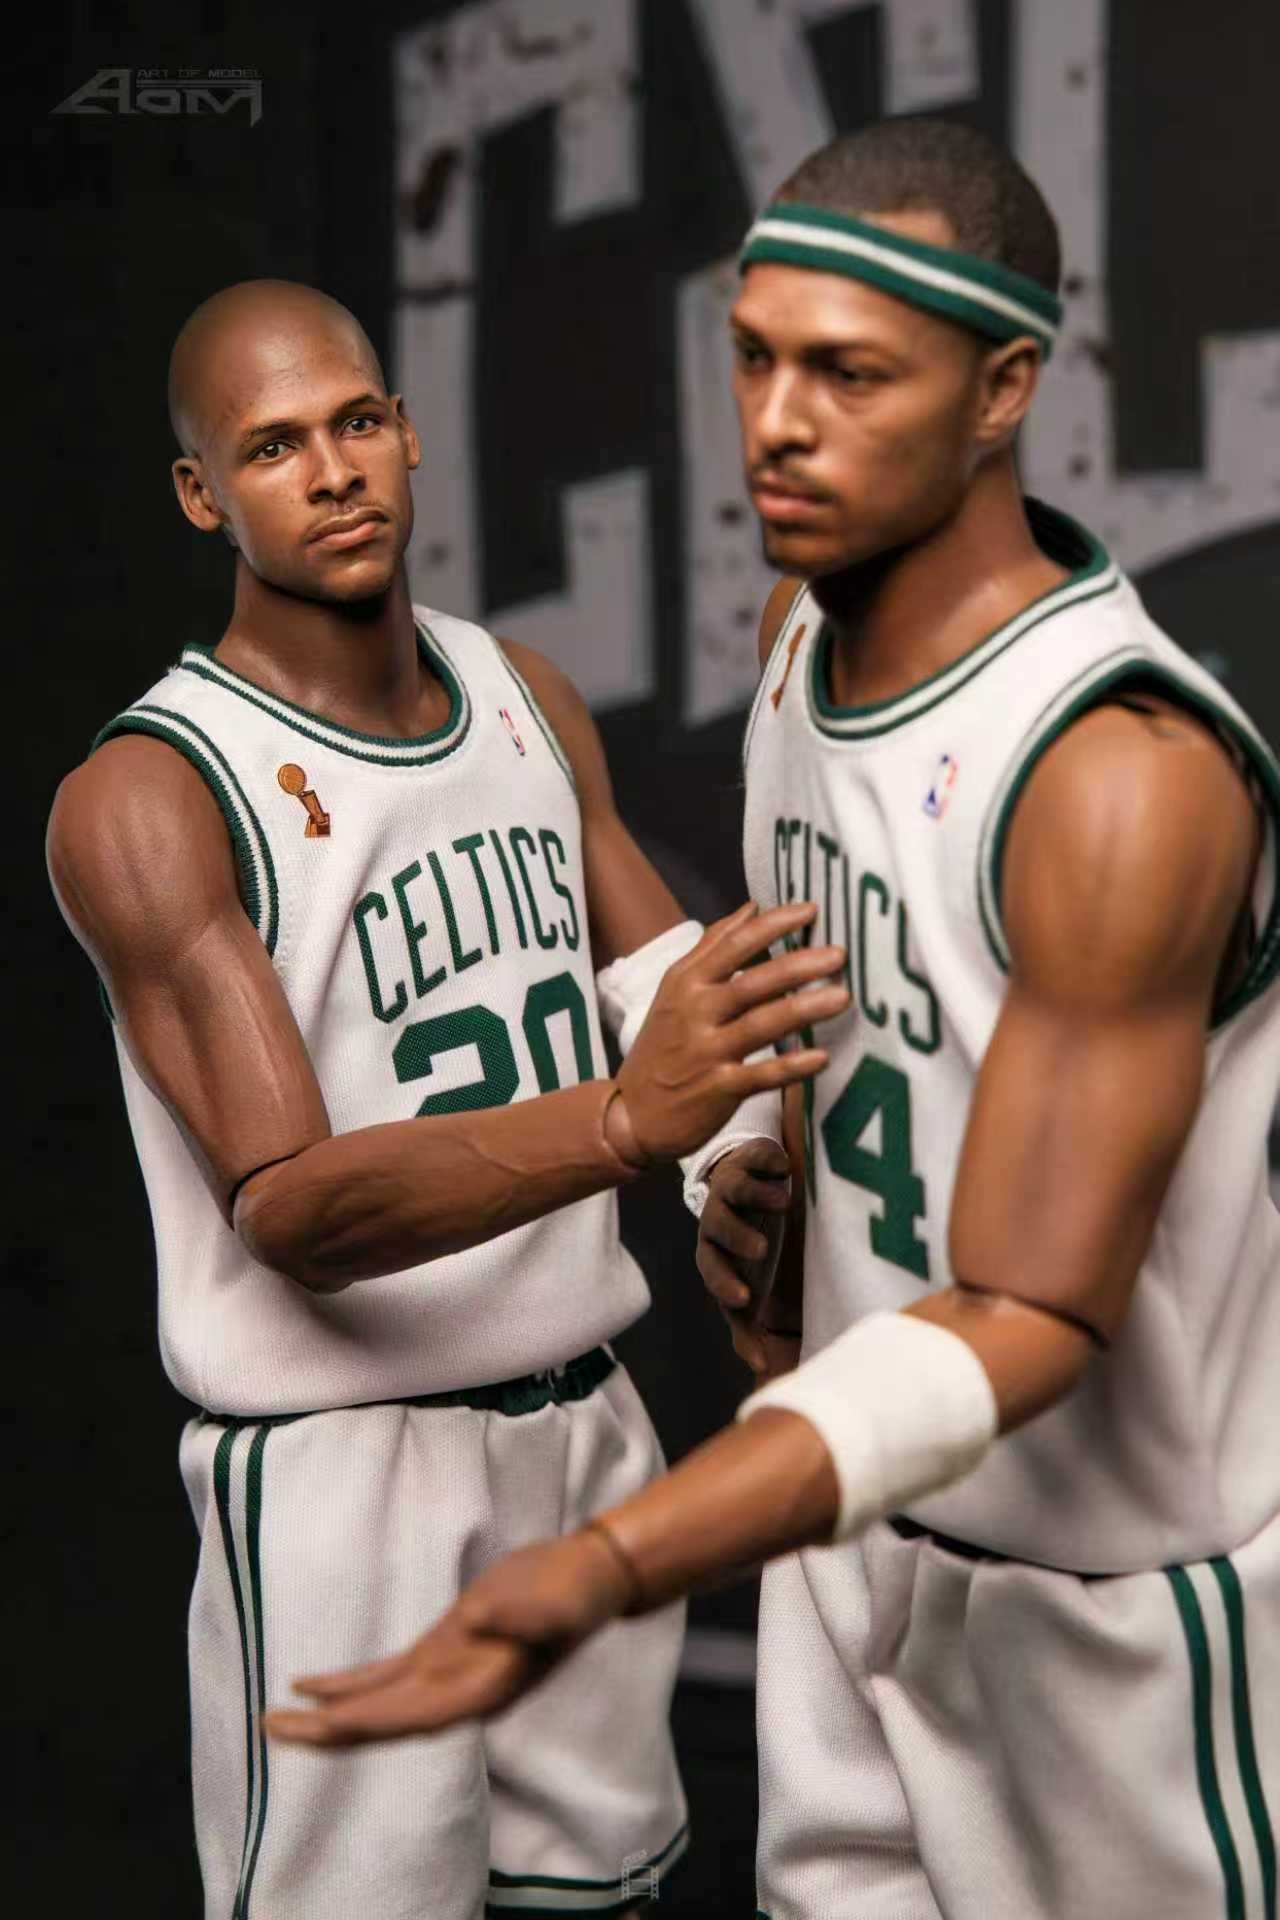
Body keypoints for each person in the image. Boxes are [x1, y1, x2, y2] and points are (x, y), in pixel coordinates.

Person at [265, 120, 1280, 1920]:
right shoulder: (803, 638)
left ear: (1003, 388)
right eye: (753, 357)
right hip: (851, 1526)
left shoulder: (1118, 771)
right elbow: (854, 1010)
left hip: (1103, 1597)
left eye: (851, 374)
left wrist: (613, 1561)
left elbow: (1034, 1309)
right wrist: (778, 1186)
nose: (778, 425)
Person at [45, 278, 850, 1920]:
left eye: (355, 422)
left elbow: (665, 977)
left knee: (604, 1898)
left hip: (579, 1423)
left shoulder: (521, 696)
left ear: (409, 434)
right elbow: (293, 1208)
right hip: (348, 1476)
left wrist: (740, 1175)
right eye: (274, 446)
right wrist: (625, 1126)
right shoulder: (155, 793)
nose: (333, 471)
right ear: (203, 494)